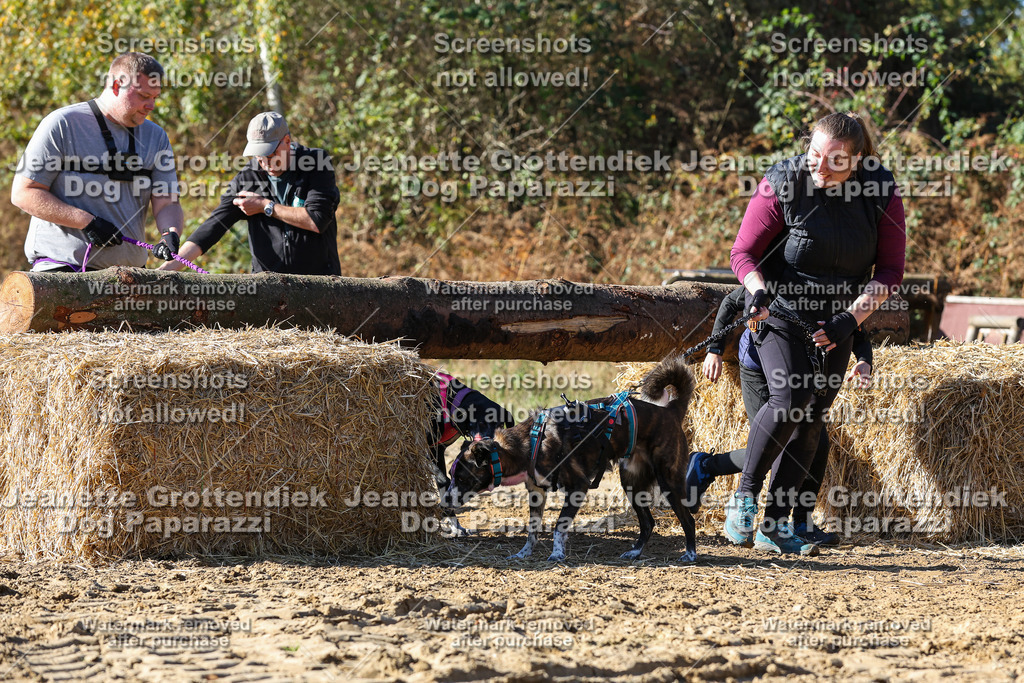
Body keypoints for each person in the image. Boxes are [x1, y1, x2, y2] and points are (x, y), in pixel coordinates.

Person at [722, 111, 906, 555]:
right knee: (791, 398)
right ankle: (743, 499)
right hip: (779, 311)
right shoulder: (783, 180)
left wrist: (850, 321)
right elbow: (742, 252)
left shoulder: (880, 189)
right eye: (814, 155)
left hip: (838, 320)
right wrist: (758, 290)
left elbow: (890, 272)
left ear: (858, 160)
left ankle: (775, 525)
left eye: (835, 161)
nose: (820, 168)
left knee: (810, 420)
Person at [686, 285, 873, 546]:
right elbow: (730, 302)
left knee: (816, 440)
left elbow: (856, 329)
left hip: (798, 372)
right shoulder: (779, 279)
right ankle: (708, 466)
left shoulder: (837, 288)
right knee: (777, 441)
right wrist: (714, 350)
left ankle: (801, 524)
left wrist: (864, 360)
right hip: (757, 369)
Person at [12, 52, 183, 271]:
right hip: (63, 272)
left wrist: (170, 234)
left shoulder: (157, 137)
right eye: (143, 95)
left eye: (155, 97)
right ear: (115, 86)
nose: (151, 105)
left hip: (130, 278)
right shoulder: (62, 123)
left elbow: (167, 202)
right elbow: (24, 193)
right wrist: (87, 221)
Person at [159, 112, 341, 275]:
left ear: (287, 141)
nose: (264, 163)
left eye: (269, 155)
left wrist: (265, 206)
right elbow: (213, 226)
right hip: (267, 287)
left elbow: (317, 220)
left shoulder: (316, 163)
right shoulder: (248, 176)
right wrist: (166, 270)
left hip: (320, 282)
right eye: (258, 156)